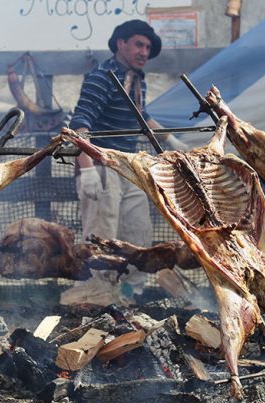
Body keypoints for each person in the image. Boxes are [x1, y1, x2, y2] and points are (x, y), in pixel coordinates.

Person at [64, 20, 188, 305]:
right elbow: (80, 123)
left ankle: (131, 296)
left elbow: (141, 115)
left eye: (147, 47)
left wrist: (170, 142)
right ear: (121, 44)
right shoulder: (102, 77)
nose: (144, 51)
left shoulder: (136, 79)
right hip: (102, 166)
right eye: (138, 44)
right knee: (103, 236)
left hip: (129, 167)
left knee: (138, 233)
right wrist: (87, 169)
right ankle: (101, 299)